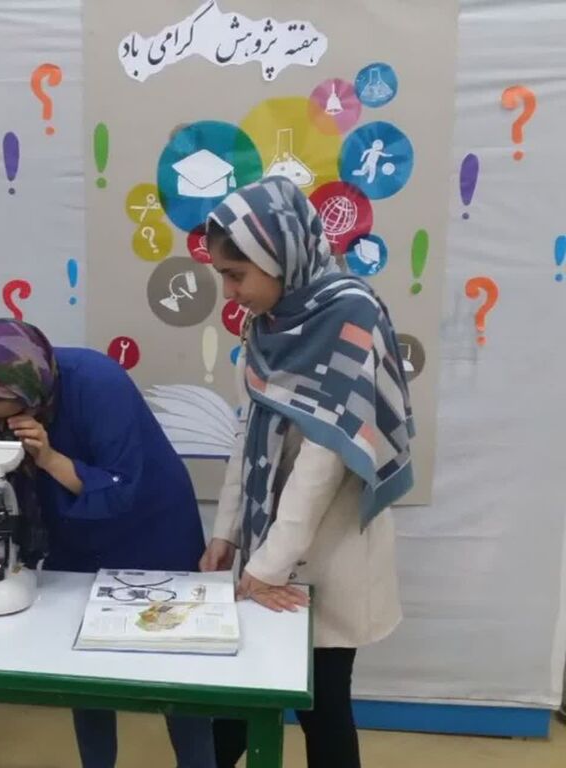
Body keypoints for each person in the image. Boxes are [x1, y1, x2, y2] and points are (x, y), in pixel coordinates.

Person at [198, 177, 413, 768]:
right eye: (222, 275)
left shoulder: (351, 315)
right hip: (267, 546)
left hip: (331, 550)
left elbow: (323, 463)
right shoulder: (267, 323)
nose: (230, 292)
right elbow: (249, 430)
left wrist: (264, 570)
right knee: (237, 695)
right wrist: (226, 533)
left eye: (237, 274)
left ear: (278, 255)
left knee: (323, 704)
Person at [0, 318, 215, 768]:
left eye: (14, 418)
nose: (5, 427)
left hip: (152, 528)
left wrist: (48, 457)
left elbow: (121, 488)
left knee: (179, 679)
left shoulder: (98, 383)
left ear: (36, 395)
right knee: (84, 674)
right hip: (73, 532)